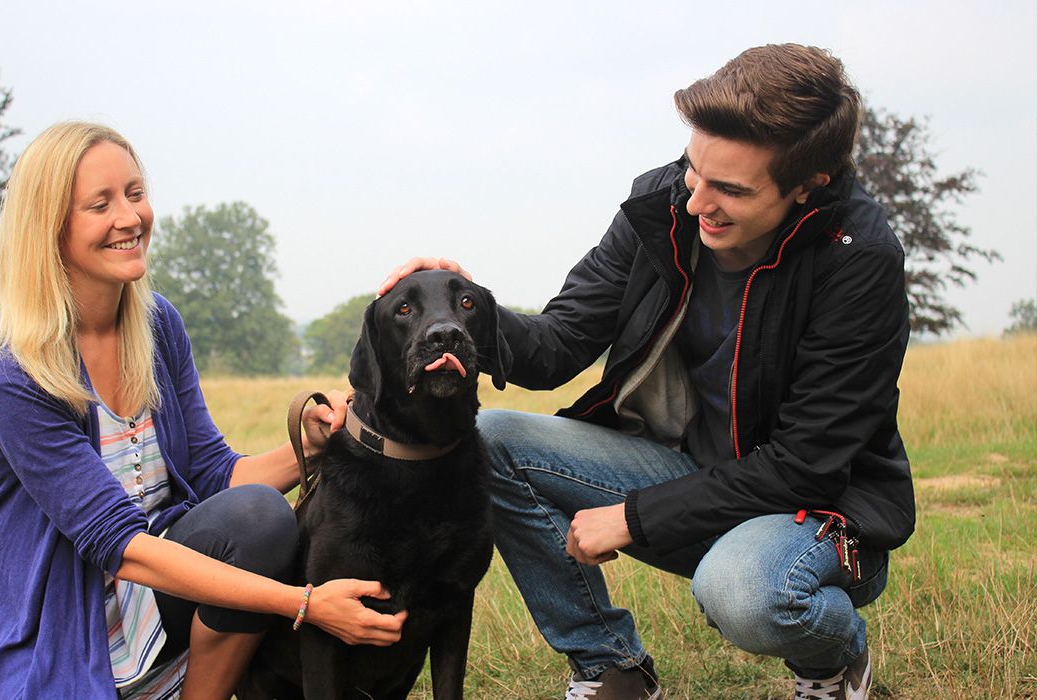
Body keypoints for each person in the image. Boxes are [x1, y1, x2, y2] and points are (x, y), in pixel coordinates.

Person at [380, 44, 913, 700]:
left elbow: (807, 463)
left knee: (744, 594)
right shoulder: (661, 204)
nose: (698, 205)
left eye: (731, 190)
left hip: (816, 512)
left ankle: (837, 658)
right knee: (491, 441)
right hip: (697, 474)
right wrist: (464, 314)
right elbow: (557, 344)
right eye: (695, 172)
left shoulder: (859, 260)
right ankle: (611, 669)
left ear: (809, 186)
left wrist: (635, 516)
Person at [0, 121, 406, 699]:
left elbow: (218, 475)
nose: (129, 218)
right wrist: (306, 604)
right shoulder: (8, 364)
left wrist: (317, 445)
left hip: (153, 595)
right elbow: (117, 543)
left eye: (135, 193)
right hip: (66, 617)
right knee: (255, 523)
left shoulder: (157, 324)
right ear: (49, 228)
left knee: (259, 517)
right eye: (100, 204)